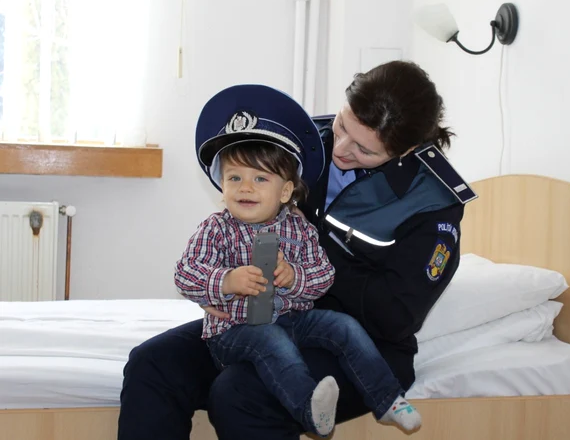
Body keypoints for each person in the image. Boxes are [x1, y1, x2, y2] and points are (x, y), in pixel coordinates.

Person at [118, 60, 474, 440]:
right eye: (341, 125)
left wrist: (308, 259)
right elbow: (242, 220)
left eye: (364, 150)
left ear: (408, 149)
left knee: (240, 392)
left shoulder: (432, 201)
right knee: (151, 364)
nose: (339, 148)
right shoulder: (301, 141)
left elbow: (395, 316)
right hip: (269, 314)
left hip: (363, 345)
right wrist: (221, 284)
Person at [173, 94, 422, 437]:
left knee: (344, 326)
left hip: (294, 319)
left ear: (286, 190)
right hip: (237, 330)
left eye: (260, 179)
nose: (245, 187)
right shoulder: (216, 228)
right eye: (234, 178)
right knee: (273, 343)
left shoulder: (298, 228)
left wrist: (294, 278)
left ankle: (388, 399)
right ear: (222, 186)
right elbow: (185, 274)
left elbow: (324, 276)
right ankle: (310, 409)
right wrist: (226, 280)